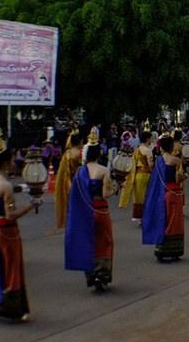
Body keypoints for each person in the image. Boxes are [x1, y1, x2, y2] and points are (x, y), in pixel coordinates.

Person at [0, 120, 38, 322]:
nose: (14, 162)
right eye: (11, 159)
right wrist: (31, 205)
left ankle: (2, 304)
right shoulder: (6, 186)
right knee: (12, 270)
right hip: (8, 232)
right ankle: (10, 308)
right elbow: (10, 215)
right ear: (4, 162)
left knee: (4, 268)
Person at [64, 127, 115, 292]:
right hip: (101, 210)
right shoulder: (103, 170)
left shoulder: (80, 172)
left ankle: (91, 274)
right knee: (105, 242)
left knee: (90, 241)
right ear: (99, 154)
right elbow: (106, 193)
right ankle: (102, 274)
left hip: (86, 211)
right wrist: (116, 187)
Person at [142, 133, 186, 260]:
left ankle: (161, 249)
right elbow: (178, 178)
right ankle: (174, 250)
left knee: (164, 220)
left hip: (163, 194)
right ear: (172, 146)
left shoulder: (158, 161)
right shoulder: (176, 161)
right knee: (174, 222)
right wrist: (185, 176)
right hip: (174, 193)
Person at [118, 122, 155, 224]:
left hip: (137, 175)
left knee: (138, 197)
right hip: (146, 175)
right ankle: (148, 216)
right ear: (147, 139)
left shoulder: (137, 150)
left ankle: (139, 218)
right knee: (148, 196)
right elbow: (151, 165)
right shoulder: (148, 151)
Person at [55, 128, 83, 230]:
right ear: (80, 141)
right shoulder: (80, 153)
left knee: (70, 207)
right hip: (79, 183)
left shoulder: (67, 153)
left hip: (69, 182)